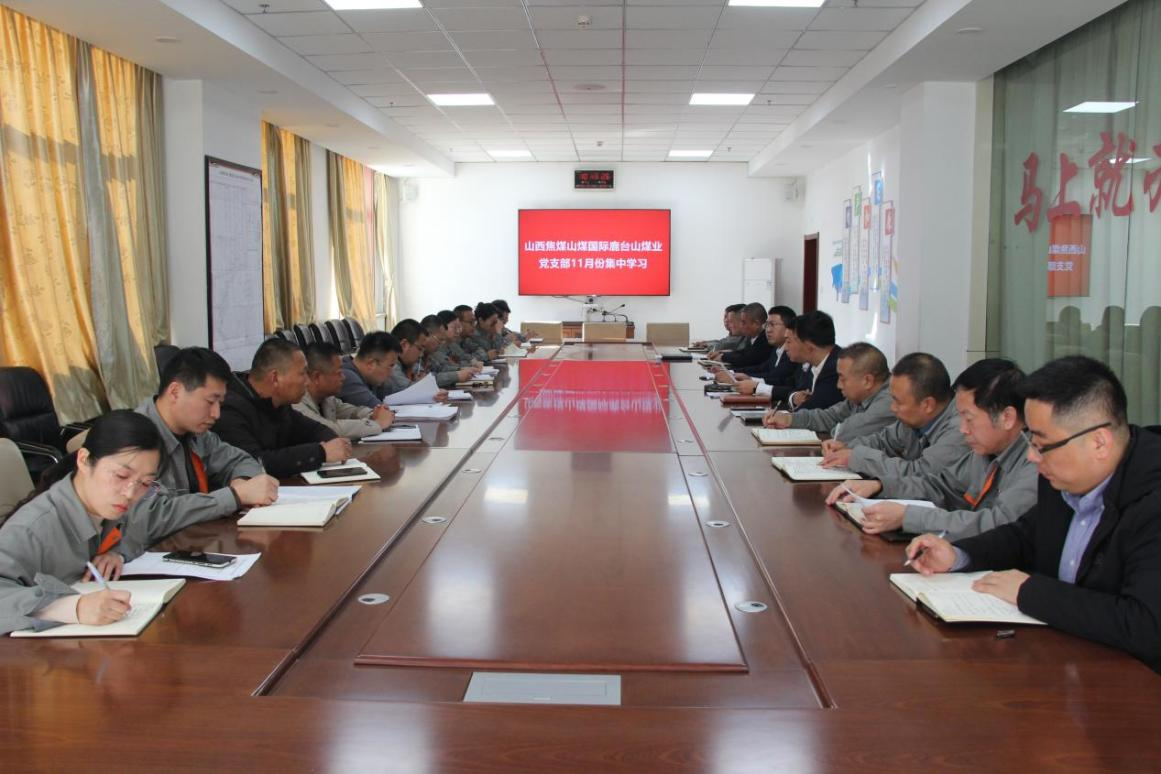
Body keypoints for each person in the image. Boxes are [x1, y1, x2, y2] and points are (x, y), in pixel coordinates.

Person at [904, 356, 1161, 673]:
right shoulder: (1063, 476)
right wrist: (957, 555)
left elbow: (1146, 625)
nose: (1031, 456)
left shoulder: (1151, 502)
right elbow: (1024, 536)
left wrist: (1031, 593)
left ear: (1099, 443)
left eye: (1041, 444)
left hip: (1131, 685)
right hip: (1060, 659)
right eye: (1031, 441)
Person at [828, 358, 1037, 540]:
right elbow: (942, 486)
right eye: (960, 417)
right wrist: (880, 486)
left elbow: (996, 523)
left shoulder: (1035, 463)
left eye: (969, 418)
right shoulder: (986, 452)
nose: (963, 429)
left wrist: (909, 517)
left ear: (1007, 417)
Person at [0, 411, 164, 634]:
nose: (130, 494)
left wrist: (117, 552)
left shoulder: (107, 505)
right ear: (84, 460)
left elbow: (144, 526)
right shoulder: (31, 529)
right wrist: (73, 608)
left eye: (145, 483)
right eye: (121, 476)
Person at [134, 347, 278, 533]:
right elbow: (150, 517)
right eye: (210, 402)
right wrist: (234, 496)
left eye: (220, 403)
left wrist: (242, 482)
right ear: (175, 392)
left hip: (193, 541)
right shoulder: (135, 440)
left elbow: (241, 460)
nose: (216, 414)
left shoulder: (197, 434)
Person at [215, 338, 350, 478]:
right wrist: (320, 453)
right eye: (302, 374)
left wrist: (333, 443)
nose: (307, 381)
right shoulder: (229, 410)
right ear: (275, 378)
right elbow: (254, 463)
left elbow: (315, 430)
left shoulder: (279, 404)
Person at [821, 352, 969, 477]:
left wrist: (859, 458)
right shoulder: (913, 420)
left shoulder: (959, 429)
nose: (892, 408)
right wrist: (845, 447)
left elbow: (920, 473)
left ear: (927, 405)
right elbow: (884, 441)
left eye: (898, 402)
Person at [765, 342, 893, 444]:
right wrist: (789, 419)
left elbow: (844, 433)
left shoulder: (889, 402)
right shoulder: (859, 397)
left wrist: (833, 427)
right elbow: (829, 416)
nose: (838, 385)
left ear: (867, 381)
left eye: (843, 379)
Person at [296, 342, 395, 440]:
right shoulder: (297, 403)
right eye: (338, 373)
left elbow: (353, 412)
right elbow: (328, 429)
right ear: (317, 377)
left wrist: (374, 414)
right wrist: (377, 424)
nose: (343, 377)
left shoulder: (328, 399)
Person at [717, 305, 797, 386]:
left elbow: (777, 377)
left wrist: (748, 378)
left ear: (788, 327)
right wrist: (731, 372)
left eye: (772, 325)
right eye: (767, 325)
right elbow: (762, 368)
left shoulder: (792, 352)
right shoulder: (777, 348)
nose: (768, 330)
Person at [338, 331, 403, 409]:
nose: (391, 373)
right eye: (390, 366)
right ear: (371, 364)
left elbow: (399, 397)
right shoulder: (346, 376)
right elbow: (380, 410)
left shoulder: (372, 379)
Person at [420, 315, 477, 387]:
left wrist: (460, 369)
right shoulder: (416, 355)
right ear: (426, 336)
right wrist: (457, 375)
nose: (441, 344)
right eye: (440, 340)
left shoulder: (430, 353)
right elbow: (425, 380)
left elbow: (441, 368)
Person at [712, 303, 771, 369]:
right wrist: (722, 353)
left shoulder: (765, 340)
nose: (741, 326)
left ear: (756, 324)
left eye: (743, 322)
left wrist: (723, 357)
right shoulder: (751, 337)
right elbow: (743, 352)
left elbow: (746, 359)